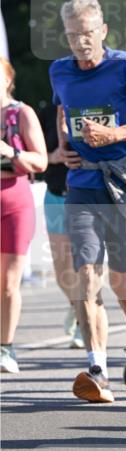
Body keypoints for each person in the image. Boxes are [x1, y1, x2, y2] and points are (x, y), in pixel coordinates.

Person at [50, 0, 126, 403]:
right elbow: (63, 109)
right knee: (85, 275)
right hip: (82, 182)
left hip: (125, 180)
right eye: (72, 35)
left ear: (102, 31)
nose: (81, 42)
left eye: (87, 33)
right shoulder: (60, 70)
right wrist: (65, 145)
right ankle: (97, 368)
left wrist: (115, 134)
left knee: (122, 280)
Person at [0, 58, 48, 373]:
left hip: (14, 201)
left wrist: (11, 152)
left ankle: (6, 348)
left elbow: (42, 160)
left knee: (7, 282)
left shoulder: (21, 114)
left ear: (7, 80)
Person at [38, 102, 84, 348]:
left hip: (87, 195)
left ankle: (83, 321)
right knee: (61, 271)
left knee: (83, 266)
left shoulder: (91, 105)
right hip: (55, 194)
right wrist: (52, 156)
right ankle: (77, 307)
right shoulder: (45, 112)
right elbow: (33, 154)